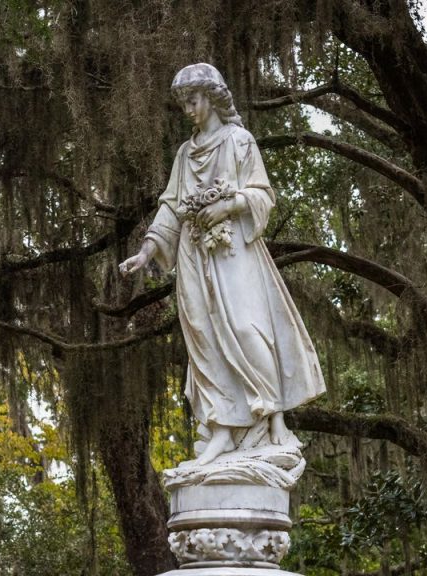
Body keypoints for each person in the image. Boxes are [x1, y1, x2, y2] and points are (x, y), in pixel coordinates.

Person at [120, 63, 325, 466]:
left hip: (234, 252)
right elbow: (172, 208)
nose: (188, 110)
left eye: (192, 101)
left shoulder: (239, 141)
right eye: (182, 103)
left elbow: (262, 195)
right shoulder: (185, 152)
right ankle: (221, 429)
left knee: (250, 329)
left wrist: (228, 205)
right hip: (194, 256)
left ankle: (273, 418)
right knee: (204, 337)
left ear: (211, 98)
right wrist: (146, 251)